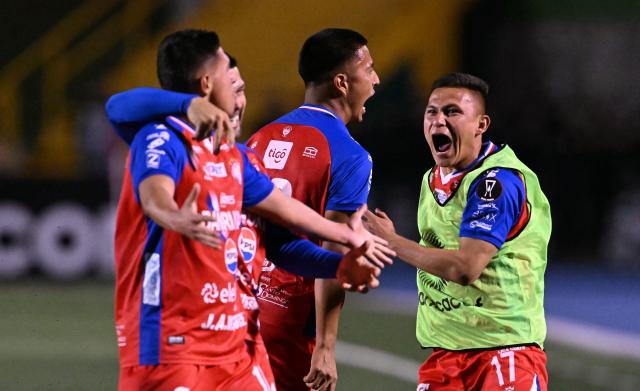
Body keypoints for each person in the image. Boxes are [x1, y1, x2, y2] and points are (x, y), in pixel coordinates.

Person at [111, 29, 390, 391]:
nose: (243, 99)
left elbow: (282, 235)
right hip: (174, 346)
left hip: (239, 346)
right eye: (236, 87)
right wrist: (172, 213)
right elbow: (146, 176)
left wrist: (341, 253)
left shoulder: (241, 158)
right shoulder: (163, 139)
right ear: (208, 87)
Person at [363, 72, 551, 391]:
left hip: (503, 352)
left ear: (481, 124)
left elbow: (466, 267)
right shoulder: (432, 179)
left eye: (452, 112)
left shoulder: (497, 182)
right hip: (447, 355)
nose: (439, 121)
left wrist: (393, 242)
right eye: (432, 112)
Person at [243, 28, 380, 391]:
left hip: (242, 310)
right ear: (341, 82)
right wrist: (325, 345)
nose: (376, 79)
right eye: (368, 69)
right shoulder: (350, 155)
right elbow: (333, 250)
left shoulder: (258, 138)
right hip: (291, 323)